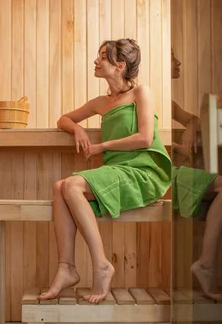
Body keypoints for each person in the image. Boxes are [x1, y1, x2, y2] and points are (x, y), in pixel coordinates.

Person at [39, 39, 171, 304]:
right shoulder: (101, 102)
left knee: (72, 185)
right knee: (59, 187)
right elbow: (63, 119)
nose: (96, 61)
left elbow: (145, 138)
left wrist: (101, 146)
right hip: (116, 171)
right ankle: (67, 268)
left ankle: (101, 265)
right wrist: (77, 128)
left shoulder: (140, 93)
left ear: (120, 65)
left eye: (103, 57)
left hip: (142, 171)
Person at [171, 49, 222, 300]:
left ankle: (206, 264)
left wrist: (191, 128)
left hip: (174, 171)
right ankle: (205, 264)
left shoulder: (166, 102)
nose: (178, 62)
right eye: (172, 57)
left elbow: (192, 119)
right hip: (157, 174)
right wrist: (178, 149)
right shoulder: (143, 97)